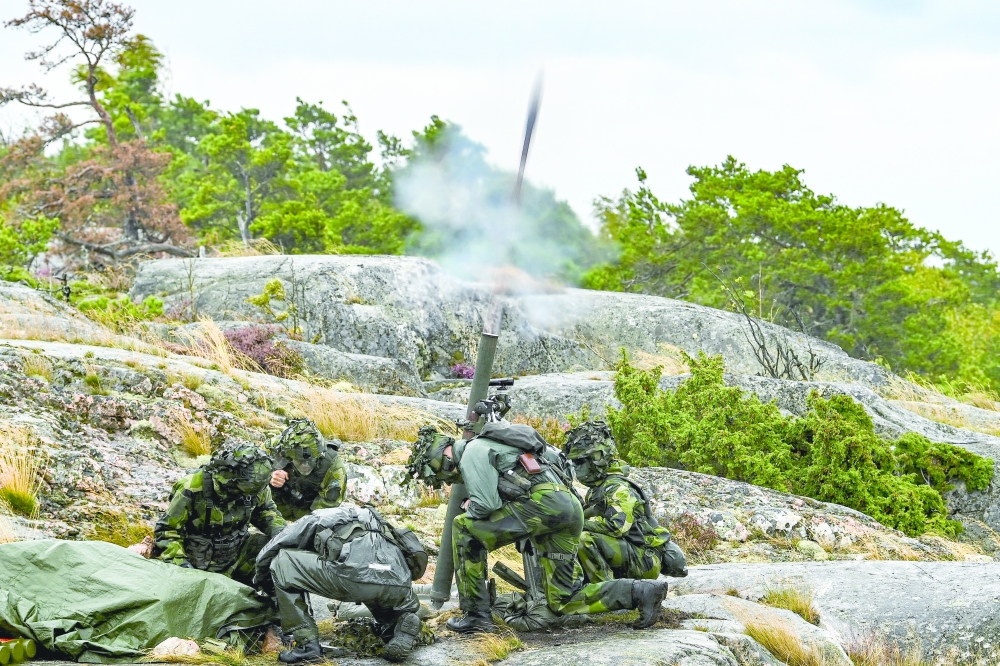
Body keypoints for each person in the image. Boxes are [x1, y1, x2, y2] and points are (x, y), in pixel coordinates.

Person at [405, 424, 669, 634]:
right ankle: (641, 591)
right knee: (562, 599)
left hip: (545, 506)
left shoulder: (473, 450)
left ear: (443, 455)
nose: (442, 478)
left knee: (464, 528)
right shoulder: (500, 446)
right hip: (568, 510)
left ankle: (476, 615)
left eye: (437, 473)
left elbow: (486, 505)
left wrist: (469, 507)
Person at [255, 506, 425, 664]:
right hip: (398, 583)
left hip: (355, 578)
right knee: (376, 580)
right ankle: (395, 624)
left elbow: (273, 548)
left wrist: (260, 580)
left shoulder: (319, 517)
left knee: (282, 561)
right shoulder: (376, 518)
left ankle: (307, 645)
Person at [563, 421, 688, 583]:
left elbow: (617, 526)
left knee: (583, 539)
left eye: (580, 462)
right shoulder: (598, 488)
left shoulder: (618, 488)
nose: (576, 468)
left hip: (644, 560)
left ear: (596, 460)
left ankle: (606, 593)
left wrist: (577, 522)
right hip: (629, 554)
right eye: (573, 463)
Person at [153, 440, 286, 586]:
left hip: (238, 555)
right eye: (240, 492)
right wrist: (183, 569)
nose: (243, 497)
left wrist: (282, 533)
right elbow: (168, 531)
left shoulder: (255, 485)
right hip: (200, 565)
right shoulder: (192, 488)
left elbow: (265, 511)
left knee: (280, 554)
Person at [268, 419, 347, 521]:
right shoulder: (275, 447)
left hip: (310, 513)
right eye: (300, 460)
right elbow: (251, 473)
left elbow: (328, 506)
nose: (305, 465)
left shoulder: (333, 464)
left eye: (310, 460)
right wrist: (269, 475)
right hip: (276, 509)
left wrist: (302, 526)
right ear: (289, 456)